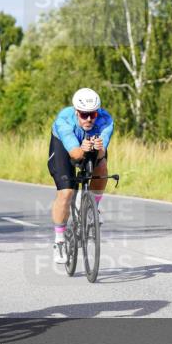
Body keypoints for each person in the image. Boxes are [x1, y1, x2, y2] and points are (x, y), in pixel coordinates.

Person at [48, 88, 114, 263]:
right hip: (65, 146)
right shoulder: (64, 120)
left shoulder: (106, 120)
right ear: (76, 112)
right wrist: (82, 149)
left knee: (102, 166)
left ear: (97, 112)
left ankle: (94, 208)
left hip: (91, 146)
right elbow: (75, 155)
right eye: (84, 115)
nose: (89, 119)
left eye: (92, 114)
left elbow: (101, 155)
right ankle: (59, 241)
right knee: (66, 192)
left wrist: (99, 149)